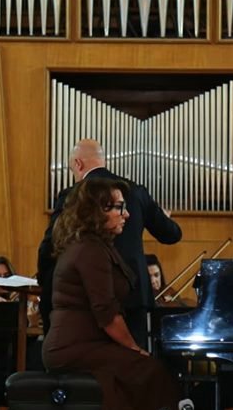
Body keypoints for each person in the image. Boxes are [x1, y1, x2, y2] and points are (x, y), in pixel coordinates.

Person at [41, 177, 225, 410]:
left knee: (147, 375)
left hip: (88, 345)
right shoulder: (89, 251)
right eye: (118, 207)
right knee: (151, 372)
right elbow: (107, 314)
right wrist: (134, 349)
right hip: (73, 348)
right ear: (97, 211)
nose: (126, 214)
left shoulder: (97, 247)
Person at [39, 139, 182, 349]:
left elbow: (50, 245)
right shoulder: (136, 191)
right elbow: (172, 234)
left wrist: (45, 280)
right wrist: (163, 217)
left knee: (97, 360)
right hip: (134, 295)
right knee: (135, 360)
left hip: (88, 299)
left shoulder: (73, 195)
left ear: (78, 164)